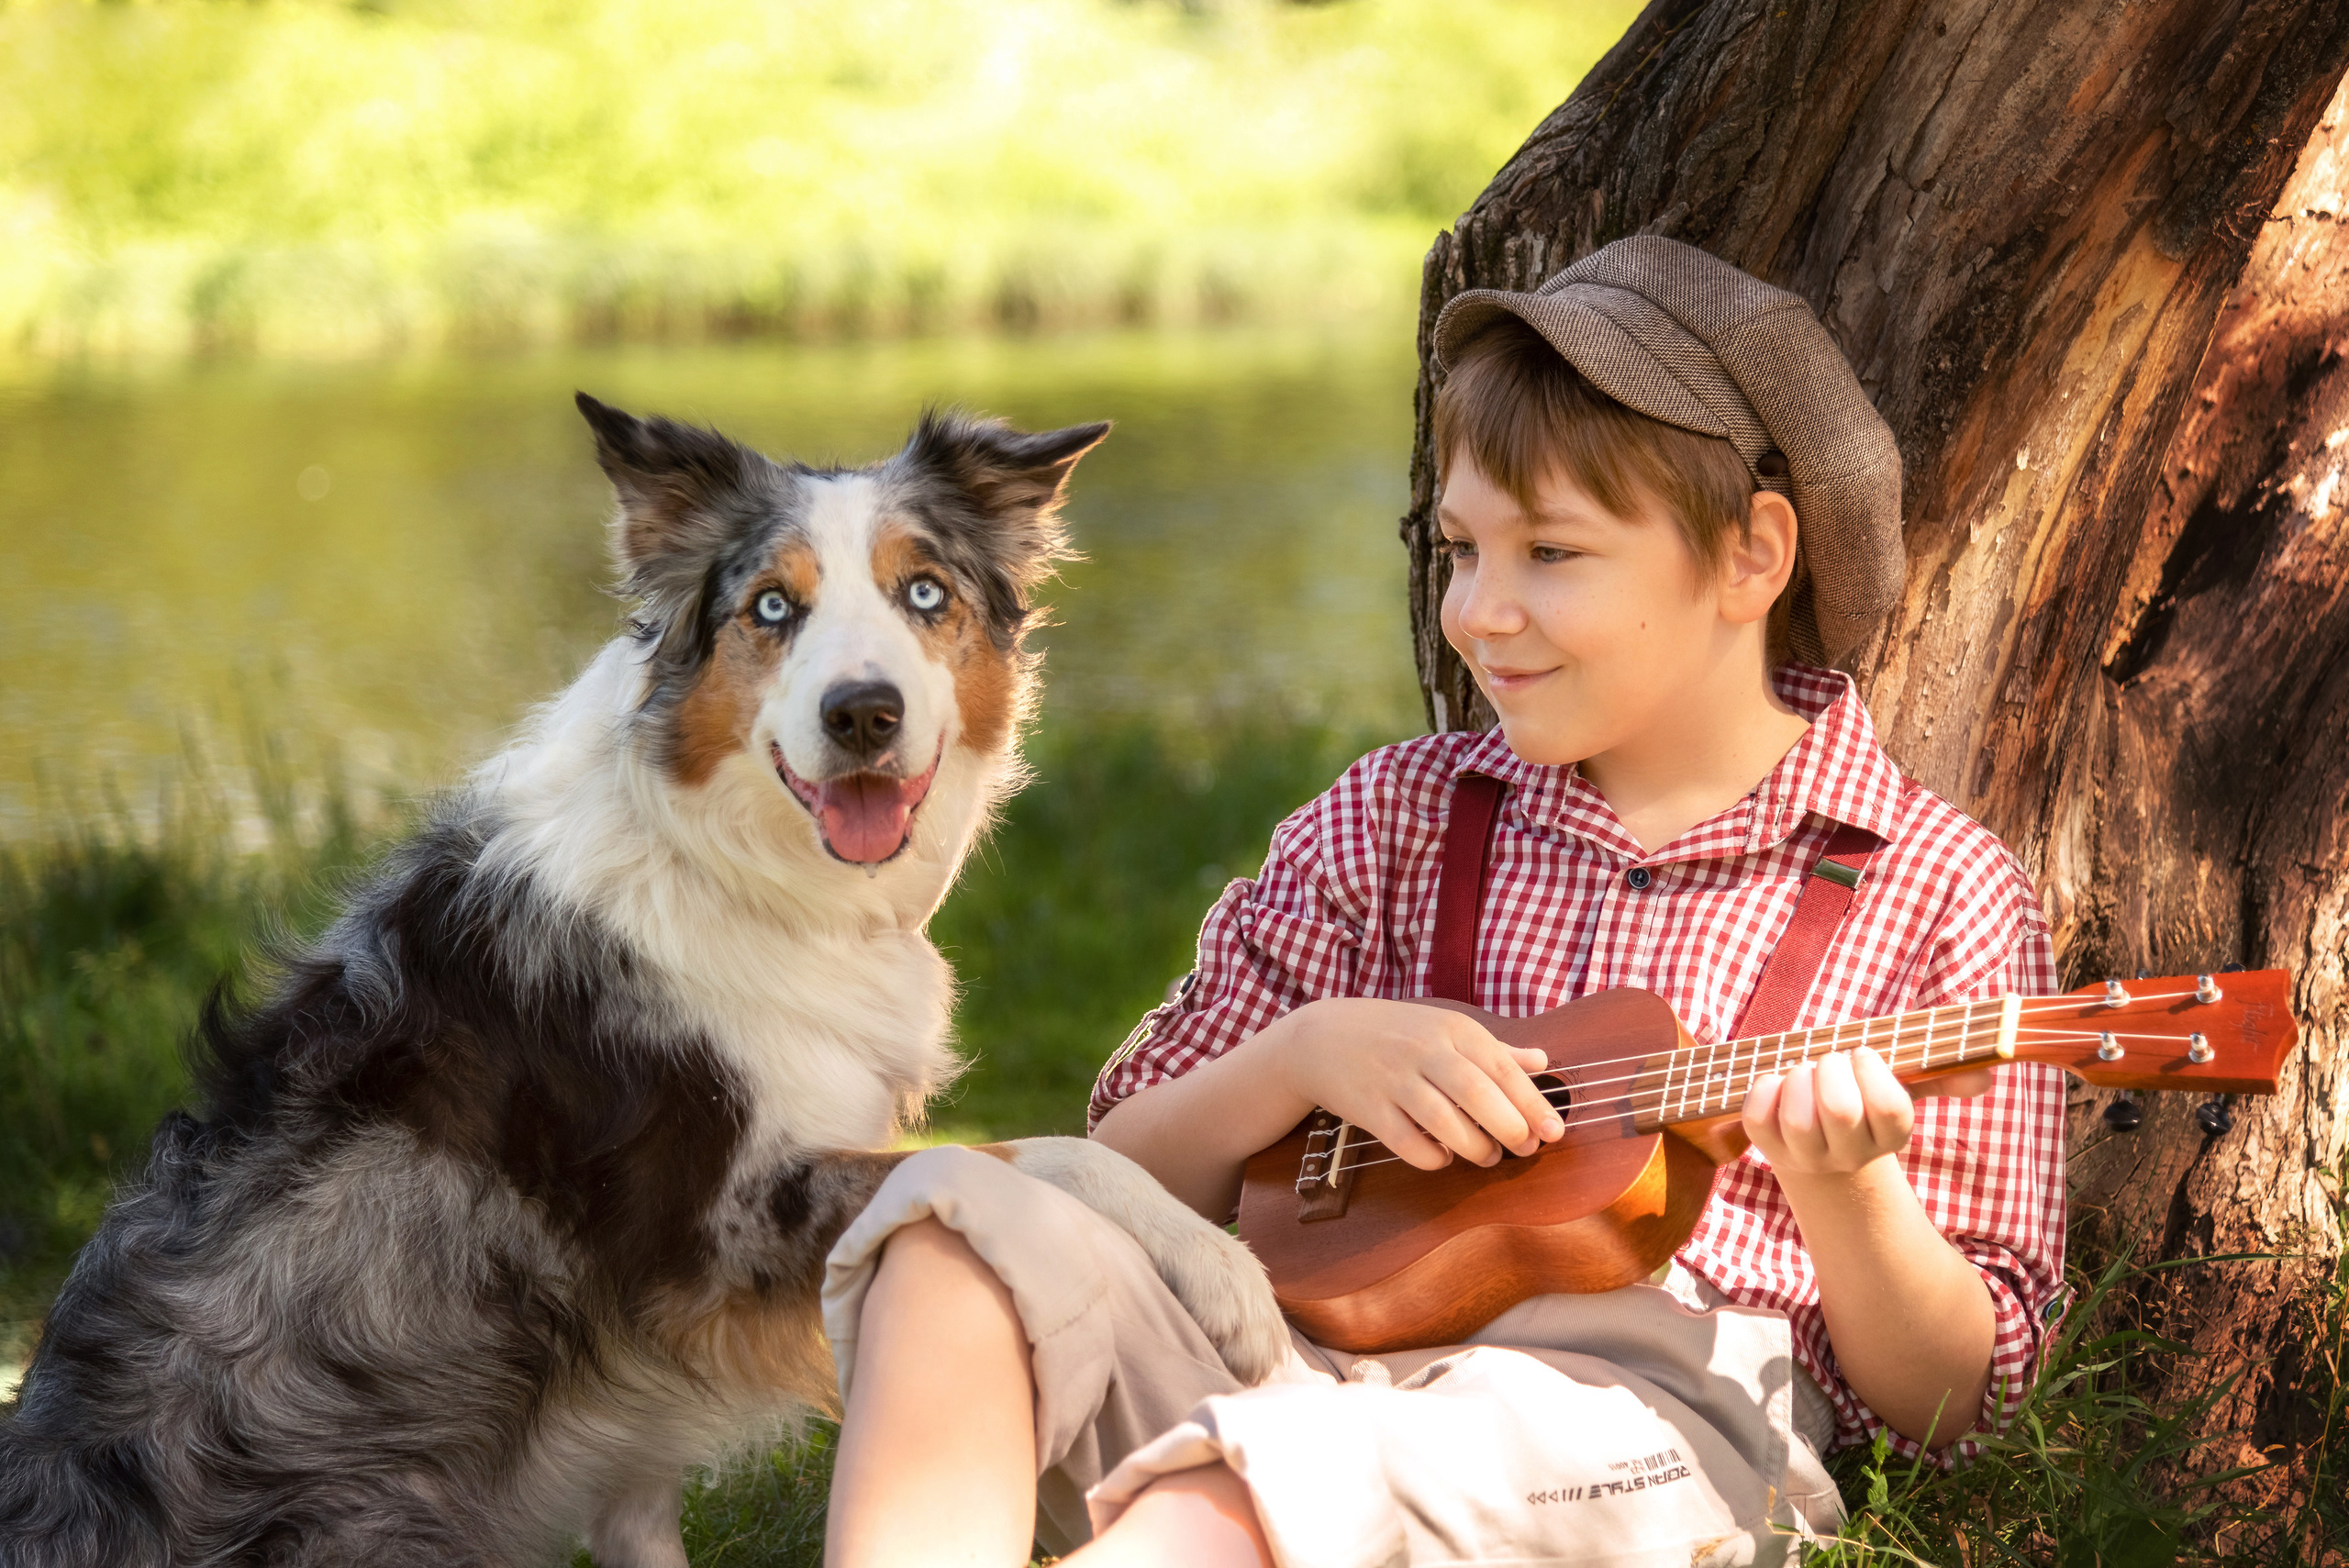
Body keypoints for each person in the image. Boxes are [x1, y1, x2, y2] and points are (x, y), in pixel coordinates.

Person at [817, 237, 2066, 1568]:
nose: (1479, 611)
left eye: (1552, 552)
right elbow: (1124, 1170)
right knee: (953, 1228)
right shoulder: (1398, 817)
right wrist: (1301, 1057)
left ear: (1752, 555)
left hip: (1634, 1412)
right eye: (1462, 549)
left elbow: (1958, 1408)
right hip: (1303, 1356)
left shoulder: (1930, 889)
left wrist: (1849, 1191)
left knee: (1236, 1499)